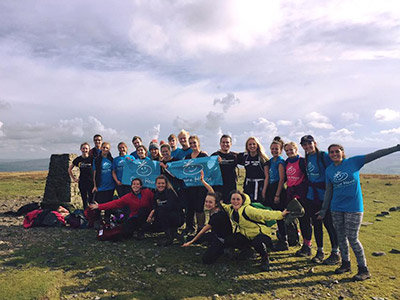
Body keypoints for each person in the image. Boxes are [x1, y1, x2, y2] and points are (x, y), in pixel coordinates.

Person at [318, 143, 400, 281]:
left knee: (352, 238)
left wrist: (396, 148)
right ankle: (345, 264)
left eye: (337, 151)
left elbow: (376, 154)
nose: (334, 154)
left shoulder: (354, 162)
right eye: (331, 152)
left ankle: (363, 269)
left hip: (354, 207)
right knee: (341, 237)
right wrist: (323, 210)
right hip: (336, 207)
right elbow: (329, 191)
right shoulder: (329, 170)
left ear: (342, 152)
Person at [221, 190, 289, 271]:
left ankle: (265, 258)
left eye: (238, 199)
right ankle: (247, 250)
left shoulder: (248, 209)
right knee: (230, 239)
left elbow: (264, 214)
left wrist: (281, 214)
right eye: (233, 199)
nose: (235, 201)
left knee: (257, 242)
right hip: (247, 236)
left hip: (261, 235)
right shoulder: (231, 209)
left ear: (242, 201)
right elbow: (222, 205)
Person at [300, 135, 340, 265]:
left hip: (325, 195)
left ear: (314, 143)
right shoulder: (307, 158)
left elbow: (334, 170)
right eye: (304, 145)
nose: (307, 146)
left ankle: (335, 252)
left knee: (329, 224)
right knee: (316, 224)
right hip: (311, 196)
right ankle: (320, 251)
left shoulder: (324, 156)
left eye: (309, 144)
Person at [182, 170, 232, 264]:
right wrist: (202, 181)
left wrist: (191, 242)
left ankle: (226, 249)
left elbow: (203, 230)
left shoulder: (217, 215)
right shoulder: (216, 206)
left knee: (206, 260)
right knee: (192, 238)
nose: (207, 204)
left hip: (222, 239)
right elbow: (211, 191)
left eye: (210, 202)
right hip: (215, 234)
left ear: (216, 203)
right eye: (206, 202)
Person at [89, 178, 154, 239]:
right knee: (126, 232)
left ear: (141, 186)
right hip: (134, 217)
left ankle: (141, 230)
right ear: (131, 186)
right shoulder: (128, 197)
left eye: (138, 184)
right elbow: (115, 203)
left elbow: (154, 202)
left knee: (142, 210)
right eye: (134, 184)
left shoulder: (147, 192)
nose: (136, 186)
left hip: (147, 216)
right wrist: (99, 206)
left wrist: (152, 214)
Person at [261, 137, 288, 251]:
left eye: (276, 149)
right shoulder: (271, 161)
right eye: (272, 149)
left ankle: (284, 240)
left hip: (279, 189)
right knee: (275, 215)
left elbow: (282, 179)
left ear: (281, 150)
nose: (274, 151)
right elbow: (267, 177)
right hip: (271, 189)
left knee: (280, 216)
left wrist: (277, 195)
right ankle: (280, 236)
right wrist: (264, 191)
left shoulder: (281, 162)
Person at [284, 141, 310, 257]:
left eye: (291, 150)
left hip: (302, 195)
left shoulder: (302, 161)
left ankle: (307, 245)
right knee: (294, 219)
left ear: (296, 149)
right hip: (290, 195)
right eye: (287, 150)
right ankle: (296, 239)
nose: (289, 152)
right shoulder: (287, 162)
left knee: (305, 221)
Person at [146, 175, 184, 246]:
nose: (161, 185)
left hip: (177, 217)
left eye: (163, 183)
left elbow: (169, 207)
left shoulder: (170, 193)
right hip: (164, 216)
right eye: (159, 183)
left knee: (162, 212)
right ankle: (174, 234)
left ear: (166, 184)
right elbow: (155, 206)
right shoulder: (156, 194)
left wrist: (153, 212)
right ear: (156, 184)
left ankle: (169, 237)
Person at [183, 135, 208, 234]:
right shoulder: (187, 157)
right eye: (191, 143)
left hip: (201, 186)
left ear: (198, 143)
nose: (193, 145)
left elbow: (209, 167)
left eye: (194, 142)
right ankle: (190, 227)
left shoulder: (203, 155)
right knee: (190, 207)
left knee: (199, 207)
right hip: (190, 186)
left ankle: (201, 228)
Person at [237, 137, 269, 202]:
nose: (252, 146)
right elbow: (233, 155)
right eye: (250, 144)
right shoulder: (245, 157)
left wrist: (264, 191)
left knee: (257, 204)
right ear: (247, 146)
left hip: (259, 185)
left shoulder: (262, 158)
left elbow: (267, 176)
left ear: (257, 145)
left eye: (254, 144)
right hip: (248, 185)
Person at [92, 142, 115, 224]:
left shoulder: (112, 160)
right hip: (100, 186)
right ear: (101, 148)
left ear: (109, 150)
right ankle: (98, 221)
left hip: (111, 186)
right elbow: (94, 174)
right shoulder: (96, 160)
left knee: (109, 204)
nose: (105, 149)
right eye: (104, 147)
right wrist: (95, 186)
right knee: (99, 204)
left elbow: (114, 172)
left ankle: (107, 219)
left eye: (107, 148)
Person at [212, 134, 238, 204]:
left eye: (227, 142)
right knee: (216, 207)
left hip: (231, 186)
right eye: (223, 142)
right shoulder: (214, 156)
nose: (225, 144)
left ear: (231, 144)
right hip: (218, 187)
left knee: (231, 207)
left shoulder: (234, 156)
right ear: (220, 143)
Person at [68, 142, 94, 209]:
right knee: (84, 200)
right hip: (82, 182)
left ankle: (93, 216)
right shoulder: (78, 159)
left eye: (86, 148)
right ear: (80, 149)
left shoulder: (92, 159)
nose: (85, 150)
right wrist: (74, 179)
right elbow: (69, 169)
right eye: (83, 148)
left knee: (91, 200)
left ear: (89, 149)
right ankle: (85, 215)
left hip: (91, 182)